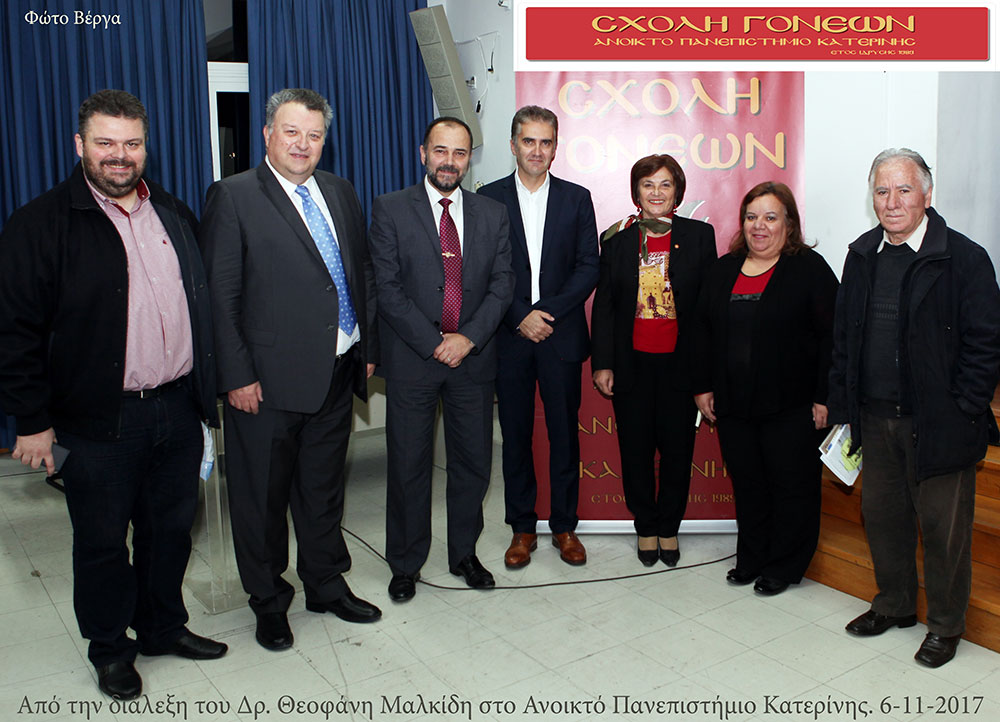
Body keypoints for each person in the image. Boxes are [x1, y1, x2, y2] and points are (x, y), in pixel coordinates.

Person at [0, 90, 227, 700]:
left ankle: (161, 628)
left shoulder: (173, 212)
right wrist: (32, 422)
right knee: (102, 543)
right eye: (105, 143)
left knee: (169, 532)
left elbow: (201, 304)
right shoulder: (40, 224)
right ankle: (109, 649)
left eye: (131, 144)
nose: (119, 156)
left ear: (146, 148)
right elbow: (14, 332)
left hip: (177, 408)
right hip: (95, 421)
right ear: (80, 145)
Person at [200, 88, 381, 652]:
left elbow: (360, 273)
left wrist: (366, 345)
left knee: (322, 491)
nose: (303, 144)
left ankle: (325, 584)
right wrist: (235, 375)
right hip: (265, 383)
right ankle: (269, 601)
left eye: (314, 134)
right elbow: (220, 296)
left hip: (337, 372)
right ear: (267, 135)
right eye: (291, 132)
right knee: (261, 500)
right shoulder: (233, 196)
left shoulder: (341, 191)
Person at [828, 148, 1000, 667]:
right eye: (882, 191)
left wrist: (965, 407)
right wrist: (844, 407)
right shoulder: (861, 255)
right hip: (875, 418)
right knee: (883, 520)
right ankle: (895, 604)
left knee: (945, 534)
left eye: (904, 190)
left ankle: (945, 626)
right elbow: (844, 339)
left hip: (941, 424)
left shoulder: (964, 258)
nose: (892, 201)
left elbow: (986, 344)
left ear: (927, 194)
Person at [369, 116, 514, 602]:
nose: (449, 162)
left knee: (473, 464)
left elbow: (503, 285)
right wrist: (434, 342)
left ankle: (464, 555)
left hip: (473, 360)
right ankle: (405, 563)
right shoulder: (390, 209)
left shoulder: (492, 213)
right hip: (414, 359)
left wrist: (467, 338)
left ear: (469, 159)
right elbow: (387, 287)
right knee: (408, 466)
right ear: (423, 153)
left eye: (459, 153)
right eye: (441, 151)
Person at [692, 182, 839, 596]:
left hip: (792, 405)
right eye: (752, 217)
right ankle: (752, 557)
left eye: (770, 217)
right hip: (734, 403)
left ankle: (785, 564)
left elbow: (833, 337)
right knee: (749, 483)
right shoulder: (723, 269)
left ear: (788, 223)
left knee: (792, 487)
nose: (760, 226)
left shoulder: (809, 269)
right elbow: (702, 332)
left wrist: (825, 396)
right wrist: (702, 386)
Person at [478, 106, 599, 569]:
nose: (537, 150)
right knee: (515, 436)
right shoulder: (487, 199)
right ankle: (522, 527)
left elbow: (588, 266)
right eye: (528, 141)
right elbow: (484, 270)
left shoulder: (577, 198)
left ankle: (565, 526)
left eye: (545, 142)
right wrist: (520, 316)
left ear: (555, 147)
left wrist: (544, 313)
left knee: (564, 435)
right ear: (513, 145)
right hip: (509, 338)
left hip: (560, 334)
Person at [590, 154, 716, 566]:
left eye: (665, 184)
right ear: (636, 192)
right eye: (648, 184)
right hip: (632, 364)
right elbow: (605, 306)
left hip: (681, 365)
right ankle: (645, 525)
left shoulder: (699, 236)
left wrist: (707, 370)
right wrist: (603, 362)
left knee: (678, 453)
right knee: (636, 451)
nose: (656, 192)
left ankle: (669, 526)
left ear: (677, 191)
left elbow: (708, 309)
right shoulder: (617, 240)